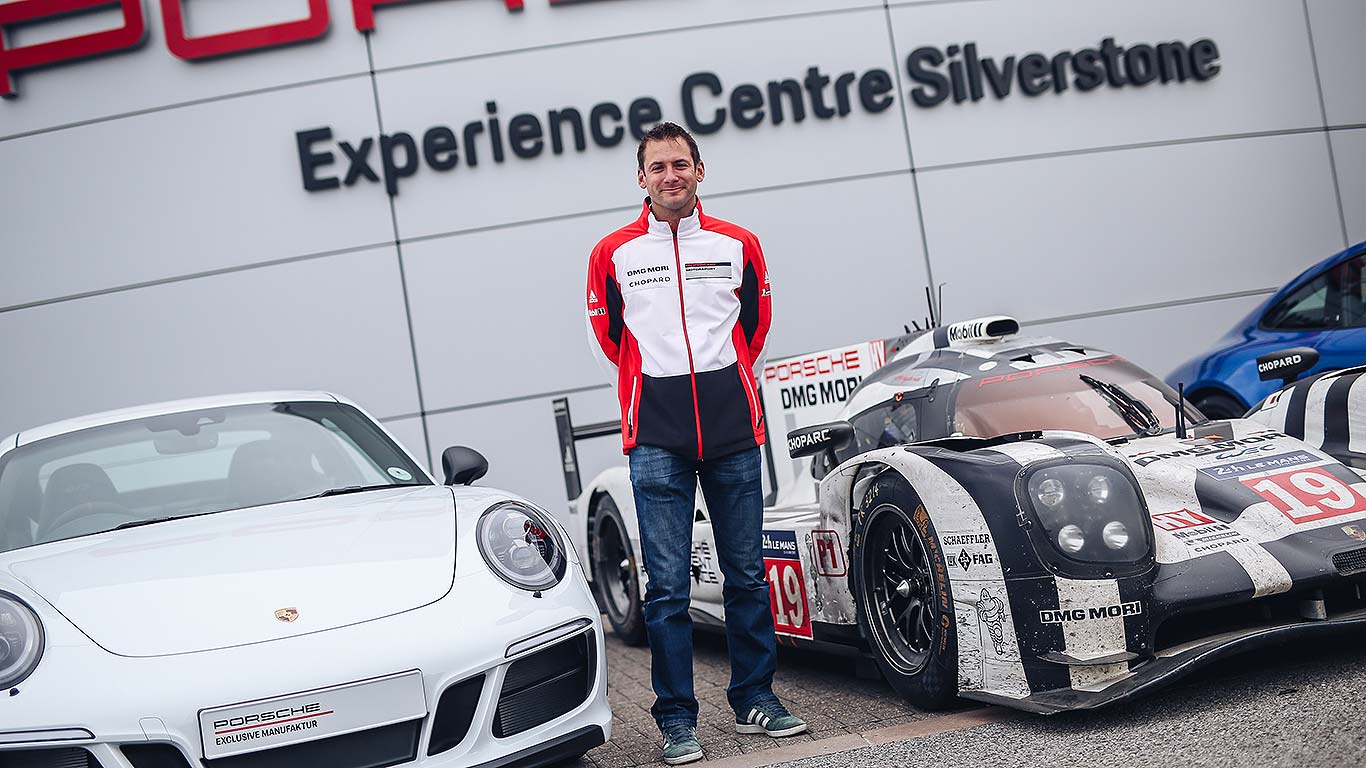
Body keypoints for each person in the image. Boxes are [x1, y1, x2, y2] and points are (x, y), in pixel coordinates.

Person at [585, 122, 805, 765]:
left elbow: (755, 326)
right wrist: (656, 389)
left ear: (699, 171)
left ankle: (755, 699)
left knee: (745, 574)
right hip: (655, 433)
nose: (670, 177)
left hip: (733, 427)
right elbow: (613, 337)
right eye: (658, 168)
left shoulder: (740, 243)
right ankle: (677, 719)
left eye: (680, 164)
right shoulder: (611, 253)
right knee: (668, 587)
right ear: (641, 179)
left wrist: (724, 381)